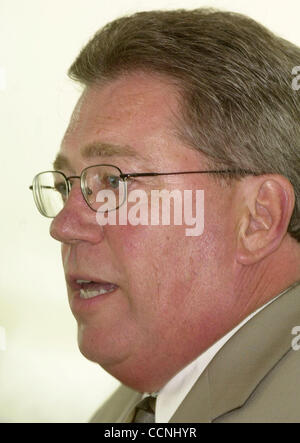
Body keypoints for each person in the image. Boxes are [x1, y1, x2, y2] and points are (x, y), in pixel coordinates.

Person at [30, 8, 300, 422]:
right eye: (67, 185)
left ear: (258, 218)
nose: (63, 226)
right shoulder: (137, 406)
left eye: (115, 183)